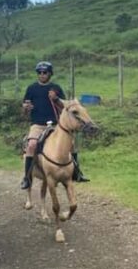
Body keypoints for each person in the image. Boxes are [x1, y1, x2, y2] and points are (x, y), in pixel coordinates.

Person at [20, 60, 89, 189]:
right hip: (37, 124)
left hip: (55, 125)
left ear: (50, 74)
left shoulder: (56, 88)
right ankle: (27, 178)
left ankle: (76, 173)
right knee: (31, 145)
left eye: (45, 72)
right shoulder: (31, 88)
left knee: (71, 144)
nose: (42, 75)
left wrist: (56, 99)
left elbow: (65, 107)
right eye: (39, 72)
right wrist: (26, 107)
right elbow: (24, 108)